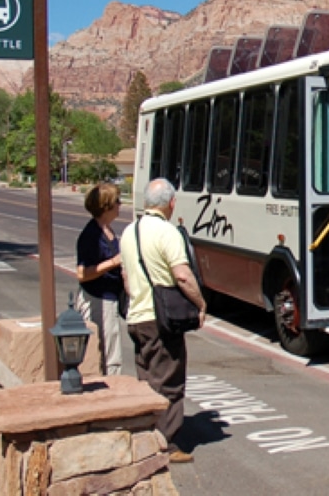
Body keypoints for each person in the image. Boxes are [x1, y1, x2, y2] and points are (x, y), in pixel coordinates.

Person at [121, 178, 206, 464]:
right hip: (160, 320)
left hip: (136, 316)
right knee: (169, 381)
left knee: (147, 379)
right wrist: (200, 303)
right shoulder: (168, 233)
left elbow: (126, 279)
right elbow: (182, 275)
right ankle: (165, 444)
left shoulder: (129, 232)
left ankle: (145, 434)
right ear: (171, 203)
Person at [75, 183, 125, 376]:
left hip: (110, 297)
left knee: (111, 348)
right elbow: (82, 273)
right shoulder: (91, 236)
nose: (120, 205)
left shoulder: (107, 230)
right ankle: (110, 389)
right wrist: (114, 262)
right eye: (117, 201)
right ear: (106, 206)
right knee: (106, 352)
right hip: (98, 298)